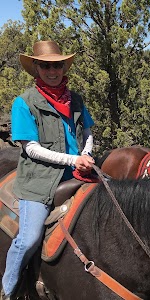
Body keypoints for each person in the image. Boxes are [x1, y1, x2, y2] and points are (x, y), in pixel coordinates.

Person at [1, 41, 95, 300]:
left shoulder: (75, 99)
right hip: (39, 178)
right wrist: (72, 160)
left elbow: (87, 131)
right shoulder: (24, 103)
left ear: (64, 67)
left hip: (78, 170)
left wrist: (86, 152)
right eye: (46, 65)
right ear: (36, 68)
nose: (52, 71)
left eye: (57, 65)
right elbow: (31, 148)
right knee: (29, 238)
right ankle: (8, 289)